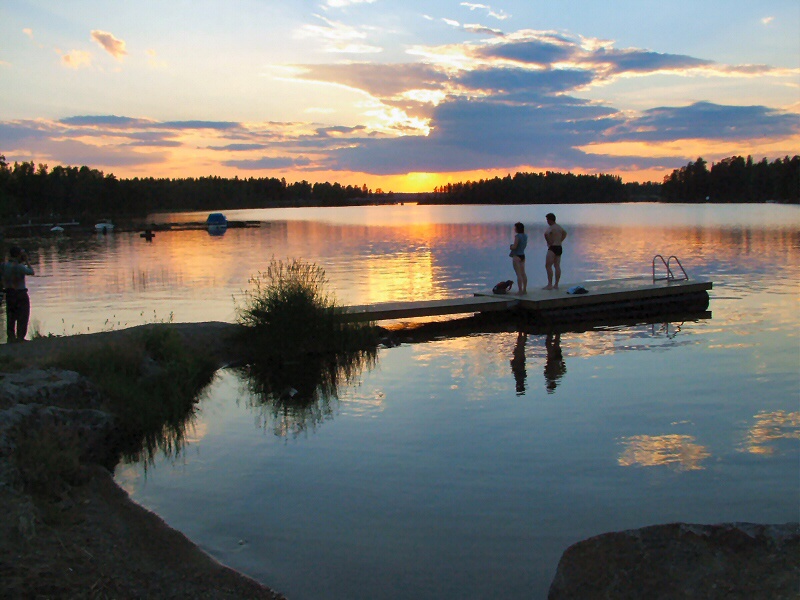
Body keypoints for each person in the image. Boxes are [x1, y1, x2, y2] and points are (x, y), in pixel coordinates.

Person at [2, 246, 34, 343]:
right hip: (20, 293)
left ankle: (11, 337)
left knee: (11, 317)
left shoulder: (4, 266)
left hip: (9, 293)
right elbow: (31, 272)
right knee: (23, 316)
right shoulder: (20, 267)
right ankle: (20, 337)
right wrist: (27, 261)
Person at [543, 213, 567, 290]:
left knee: (548, 266)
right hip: (559, 247)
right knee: (557, 266)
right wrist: (560, 240)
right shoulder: (559, 227)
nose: (547, 221)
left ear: (550, 220)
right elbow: (565, 233)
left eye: (547, 220)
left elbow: (546, 234)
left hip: (553, 247)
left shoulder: (552, 227)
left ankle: (550, 284)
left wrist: (549, 242)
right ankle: (556, 284)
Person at [509, 222, 528, 294]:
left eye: (515, 228)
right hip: (522, 255)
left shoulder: (517, 236)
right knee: (523, 273)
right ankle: (524, 289)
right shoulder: (525, 236)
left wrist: (511, 246)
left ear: (517, 228)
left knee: (518, 274)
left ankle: (520, 290)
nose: (514, 229)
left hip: (516, 256)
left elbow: (515, 246)